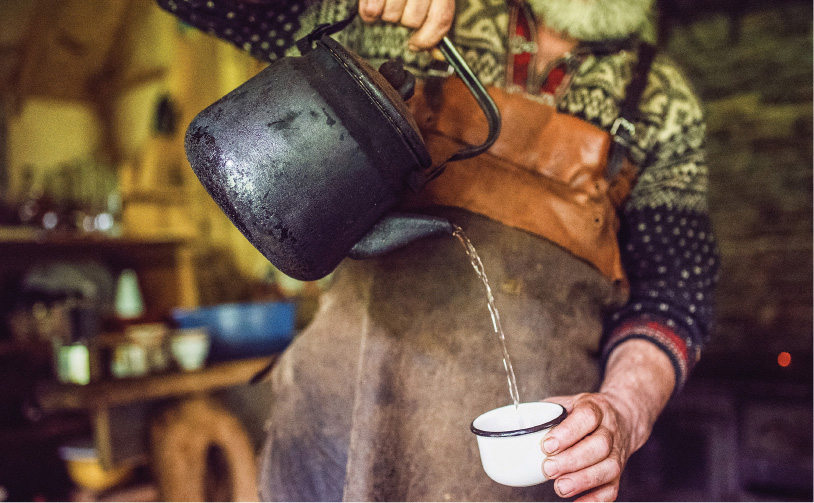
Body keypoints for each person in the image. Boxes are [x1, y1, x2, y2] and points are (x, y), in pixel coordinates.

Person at [159, 0, 720, 500]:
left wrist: (623, 408)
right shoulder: (395, 17)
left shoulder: (661, 101)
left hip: (527, 464)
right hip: (335, 425)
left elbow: (674, 293)